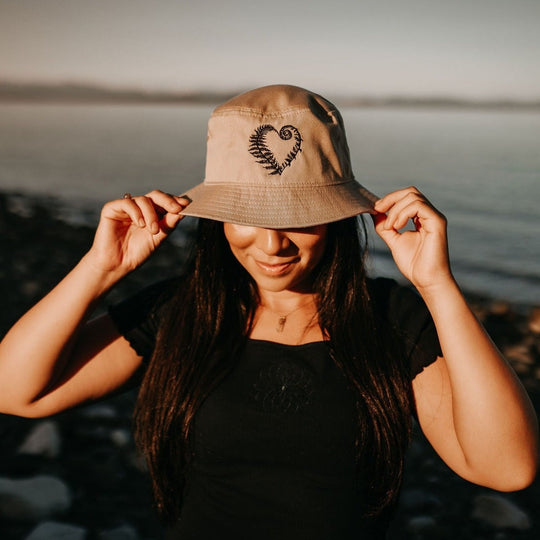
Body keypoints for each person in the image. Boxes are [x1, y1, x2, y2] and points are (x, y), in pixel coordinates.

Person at [0, 85, 537, 539]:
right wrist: (100, 268)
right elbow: (14, 391)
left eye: (300, 216)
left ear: (338, 219)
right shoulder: (179, 311)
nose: (273, 245)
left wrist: (437, 285)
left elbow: (506, 468)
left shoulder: (393, 320)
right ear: (217, 220)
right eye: (247, 215)